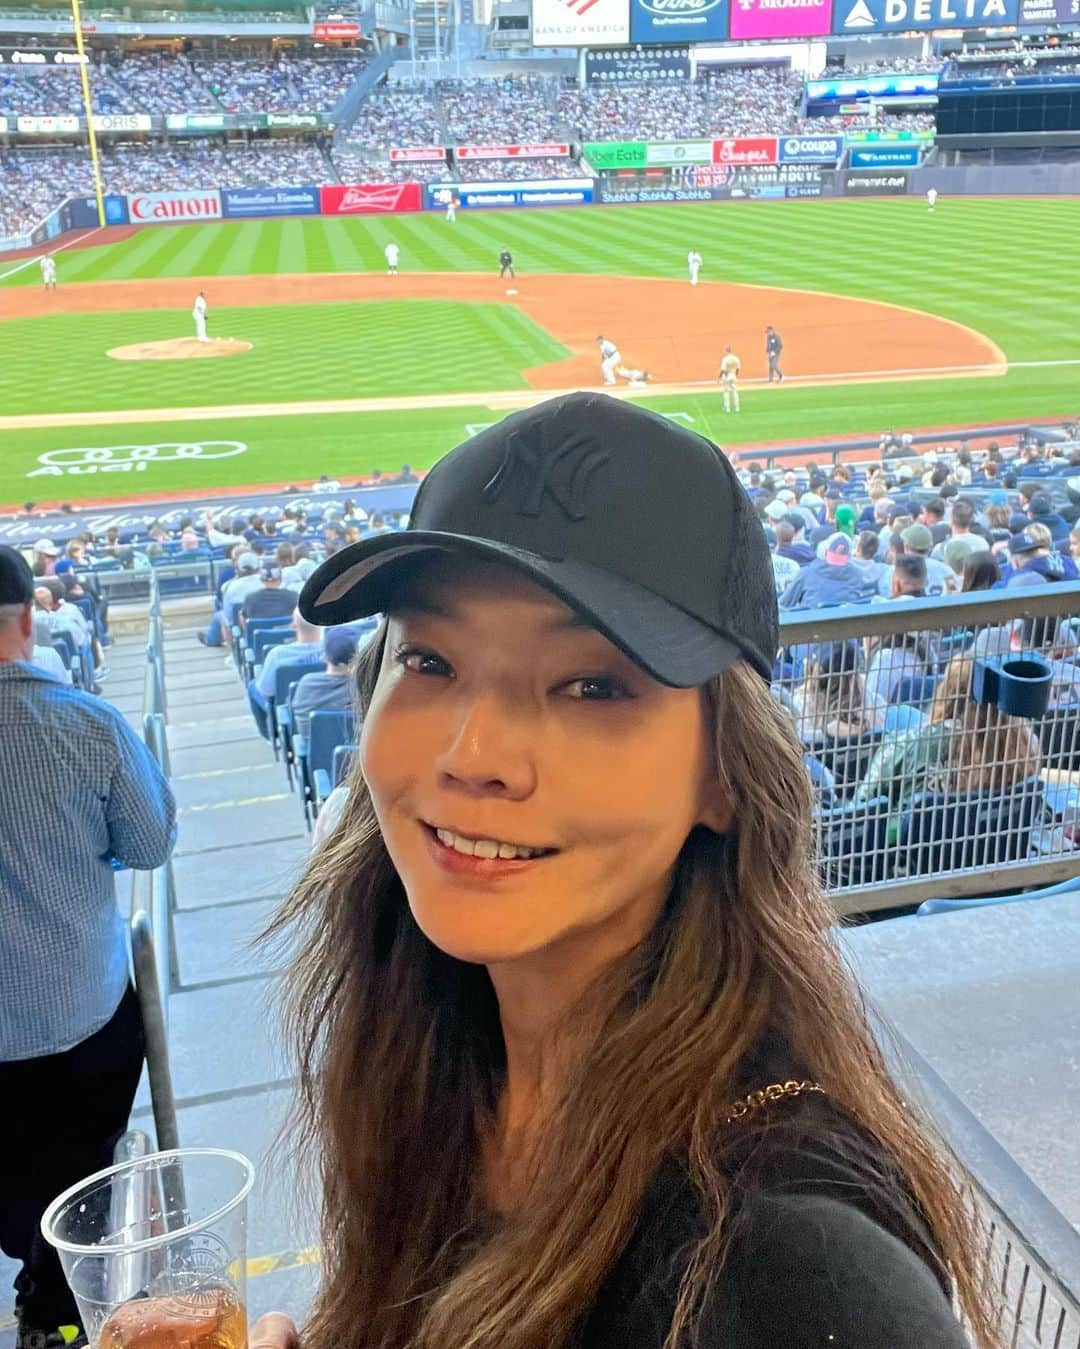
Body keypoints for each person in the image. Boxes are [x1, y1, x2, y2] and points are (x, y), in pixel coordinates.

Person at [255, 393, 992, 1349]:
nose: (476, 752)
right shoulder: (431, 1046)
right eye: (431, 659)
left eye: (592, 685)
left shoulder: (791, 1269)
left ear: (723, 776)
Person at [0, 546, 176, 1349]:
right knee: (76, 1166)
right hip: (78, 1025)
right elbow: (146, 844)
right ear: (30, 618)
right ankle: (51, 1306)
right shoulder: (88, 724)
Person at [246, 607, 325, 741]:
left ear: (293, 625)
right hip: (322, 706)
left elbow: (266, 692)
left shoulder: (278, 655)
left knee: (253, 686)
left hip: (288, 712)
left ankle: (270, 735)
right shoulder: (332, 651)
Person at [288, 625, 359, 737]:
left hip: (314, 753)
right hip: (357, 752)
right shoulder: (364, 687)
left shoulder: (306, 684)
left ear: (324, 656)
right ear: (357, 658)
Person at [780, 532, 873, 610]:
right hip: (848, 630)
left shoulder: (806, 573)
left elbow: (783, 605)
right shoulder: (858, 576)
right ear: (849, 557)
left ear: (825, 553)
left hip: (812, 630)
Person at [718, 345, 741, 413]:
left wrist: (719, 377)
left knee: (726, 392)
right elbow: (737, 369)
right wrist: (735, 376)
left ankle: (727, 408)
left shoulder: (725, 359)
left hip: (727, 376)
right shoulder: (736, 358)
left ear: (726, 351)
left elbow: (723, 370)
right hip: (733, 375)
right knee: (734, 391)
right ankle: (737, 407)